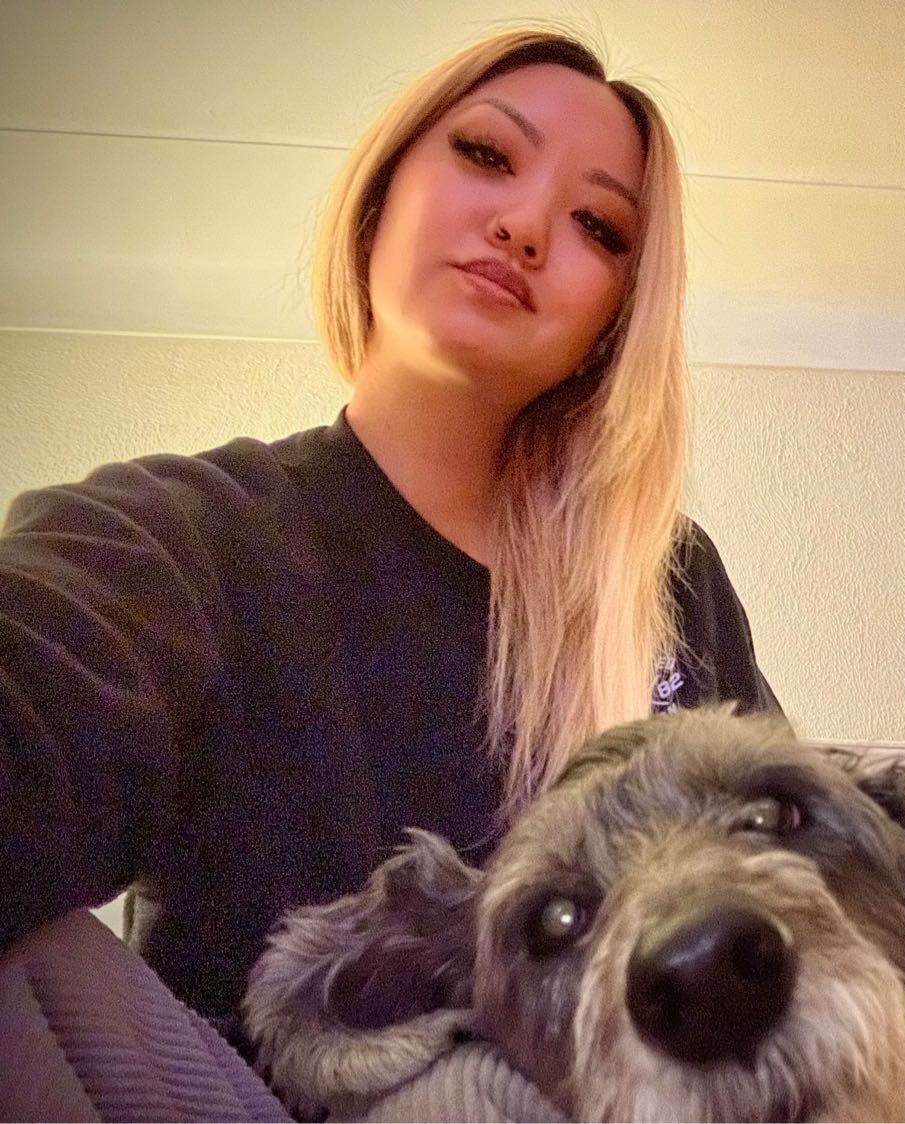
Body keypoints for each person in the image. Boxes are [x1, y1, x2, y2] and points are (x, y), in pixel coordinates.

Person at [0, 26, 778, 1052]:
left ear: (614, 324)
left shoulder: (670, 585)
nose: (525, 226)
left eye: (597, 225)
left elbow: (812, 895)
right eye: (487, 154)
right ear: (379, 198)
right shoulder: (188, 538)